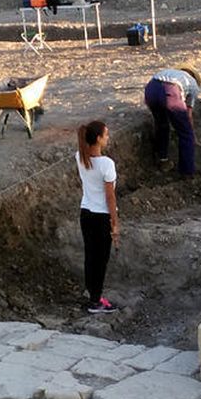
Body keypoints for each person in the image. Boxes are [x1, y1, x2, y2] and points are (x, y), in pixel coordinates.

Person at [76, 121, 120, 314]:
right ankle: (96, 301)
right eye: (106, 135)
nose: (108, 138)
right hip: (101, 216)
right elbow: (110, 196)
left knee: (90, 256)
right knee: (101, 259)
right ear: (98, 138)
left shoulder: (80, 157)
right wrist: (115, 223)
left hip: (86, 213)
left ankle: (92, 294)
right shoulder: (106, 164)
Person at [143, 67, 201, 177]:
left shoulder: (168, 72)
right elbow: (188, 114)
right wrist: (191, 134)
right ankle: (187, 172)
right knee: (186, 134)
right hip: (171, 92)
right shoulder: (193, 84)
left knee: (162, 126)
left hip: (151, 90)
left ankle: (163, 160)